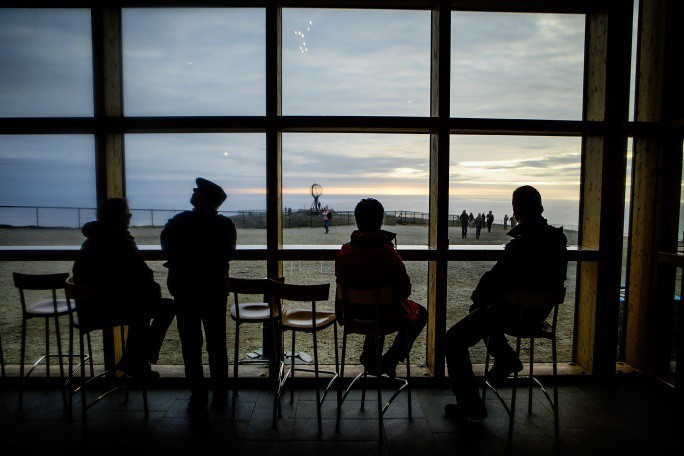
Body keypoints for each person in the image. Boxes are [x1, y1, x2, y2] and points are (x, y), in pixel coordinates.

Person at [443, 186, 567, 421]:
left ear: (515, 212)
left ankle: (471, 403)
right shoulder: (558, 240)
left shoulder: (520, 245)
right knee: (480, 311)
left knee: (452, 340)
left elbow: (490, 283)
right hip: (539, 315)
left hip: (513, 315)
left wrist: (481, 296)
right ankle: (505, 358)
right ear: (540, 208)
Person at [73, 198, 175, 379]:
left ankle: (135, 360)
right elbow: (141, 274)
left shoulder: (94, 239)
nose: (130, 217)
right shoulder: (118, 240)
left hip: (92, 305)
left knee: (144, 308)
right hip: (108, 307)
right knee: (164, 307)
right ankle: (136, 360)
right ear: (119, 217)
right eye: (128, 214)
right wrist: (153, 291)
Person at [161, 178, 237, 416]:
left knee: (190, 342)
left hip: (184, 288)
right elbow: (229, 252)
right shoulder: (224, 224)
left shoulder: (179, 221)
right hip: (214, 288)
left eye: (197, 191)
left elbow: (166, 246)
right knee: (216, 341)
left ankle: (197, 391)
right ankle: (219, 388)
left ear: (200, 199)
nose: (193, 192)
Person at [335, 198, 428, 377]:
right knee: (420, 314)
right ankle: (390, 359)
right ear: (380, 221)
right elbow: (405, 290)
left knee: (372, 305)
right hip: (384, 316)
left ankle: (370, 358)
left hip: (351, 315)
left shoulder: (344, 253)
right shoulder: (387, 254)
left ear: (357, 220)